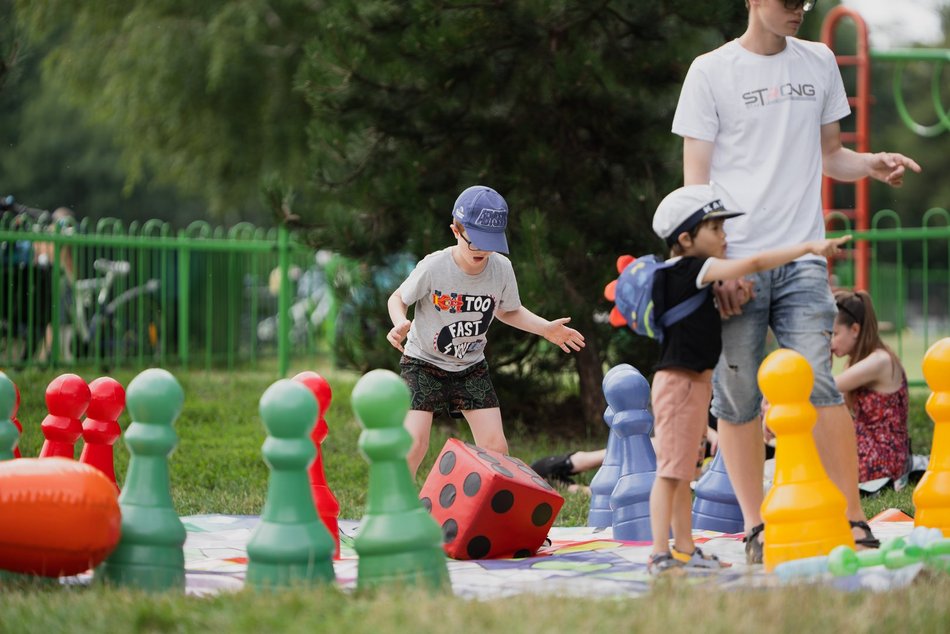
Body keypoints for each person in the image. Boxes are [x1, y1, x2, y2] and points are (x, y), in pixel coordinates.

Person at [672, 0, 921, 563]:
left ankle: (851, 517)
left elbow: (831, 155)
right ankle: (756, 526)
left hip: (805, 256)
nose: (799, 11)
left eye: (806, 1)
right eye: (788, 2)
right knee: (735, 395)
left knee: (819, 383)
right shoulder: (710, 71)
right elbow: (696, 187)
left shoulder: (820, 62)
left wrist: (872, 163)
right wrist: (716, 270)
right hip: (737, 264)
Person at [644, 183, 849, 575]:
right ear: (686, 239)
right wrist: (806, 248)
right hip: (680, 386)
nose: (725, 238)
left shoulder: (683, 275)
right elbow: (755, 262)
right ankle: (659, 552)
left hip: (693, 386)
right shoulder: (694, 268)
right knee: (670, 472)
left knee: (684, 470)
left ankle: (684, 550)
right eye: (716, 230)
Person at [386, 185, 586, 477]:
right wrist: (398, 323)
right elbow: (398, 298)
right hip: (423, 363)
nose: (482, 251)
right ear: (456, 230)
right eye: (475, 242)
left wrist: (545, 329)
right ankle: (395, 507)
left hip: (470, 367)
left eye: (490, 243)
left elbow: (507, 310)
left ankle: (481, 512)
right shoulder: (435, 266)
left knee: (496, 448)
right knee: (414, 443)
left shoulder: (501, 268)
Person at [831, 290, 910, 484]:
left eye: (834, 334)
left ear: (855, 330)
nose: (830, 343)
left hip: (883, 459)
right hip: (868, 451)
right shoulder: (856, 363)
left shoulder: (879, 361)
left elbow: (824, 390)